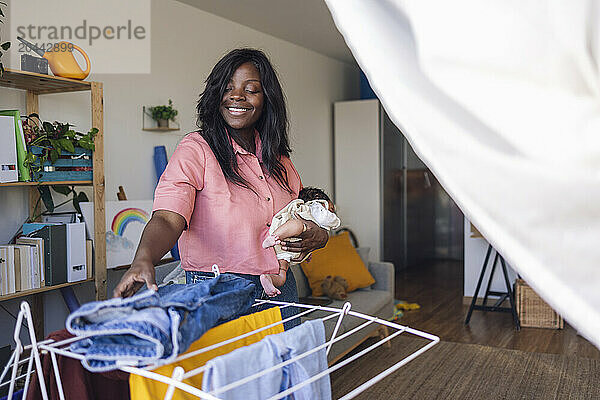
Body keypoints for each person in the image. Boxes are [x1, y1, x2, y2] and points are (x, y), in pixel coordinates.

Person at [113, 48, 329, 328]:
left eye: (251, 89)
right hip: (217, 291)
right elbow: (167, 217)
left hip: (281, 293)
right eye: (228, 88)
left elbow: (304, 215)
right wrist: (144, 259)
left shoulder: (281, 162)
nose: (237, 96)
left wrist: (319, 235)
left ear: (267, 100)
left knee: (285, 369)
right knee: (225, 372)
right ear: (216, 96)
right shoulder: (196, 150)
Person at [260, 187, 340, 296]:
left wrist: (308, 252)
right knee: (297, 225)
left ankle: (268, 279)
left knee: (282, 275)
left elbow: (310, 240)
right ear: (318, 200)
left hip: (284, 250)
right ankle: (274, 237)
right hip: (285, 232)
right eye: (330, 208)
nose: (331, 211)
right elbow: (326, 219)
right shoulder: (316, 206)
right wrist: (335, 222)